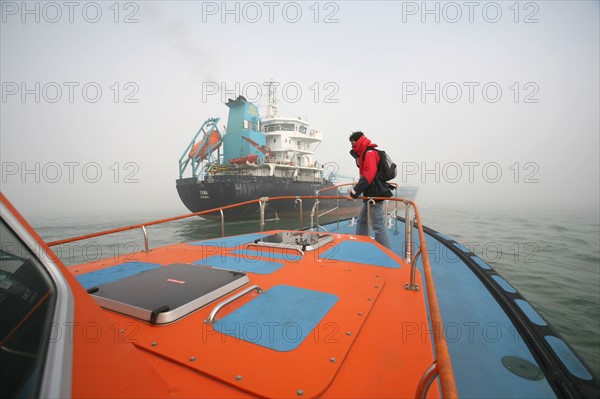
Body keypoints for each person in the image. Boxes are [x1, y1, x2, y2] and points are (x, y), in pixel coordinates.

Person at [345, 131, 393, 249]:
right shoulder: (363, 155)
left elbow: (369, 175)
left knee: (378, 225)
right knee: (362, 221)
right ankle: (361, 245)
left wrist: (354, 193)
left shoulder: (370, 153)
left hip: (376, 193)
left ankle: (387, 253)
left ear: (358, 141)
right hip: (370, 193)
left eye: (353, 143)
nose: (352, 146)